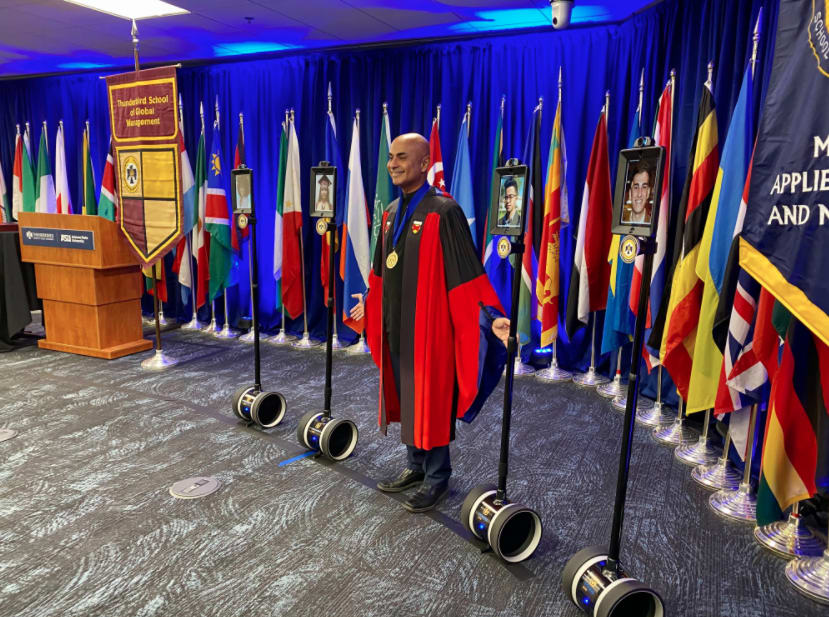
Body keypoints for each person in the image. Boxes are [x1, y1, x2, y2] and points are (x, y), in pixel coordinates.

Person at [349, 133, 509, 513]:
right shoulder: (389, 214)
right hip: (396, 323)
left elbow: (466, 275)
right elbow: (380, 270)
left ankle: (438, 478)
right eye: (390, 157)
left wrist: (490, 314)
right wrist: (371, 301)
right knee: (405, 392)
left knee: (431, 400)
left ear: (424, 164)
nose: (393, 164)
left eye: (402, 158)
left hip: (430, 329)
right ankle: (415, 466)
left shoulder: (443, 212)